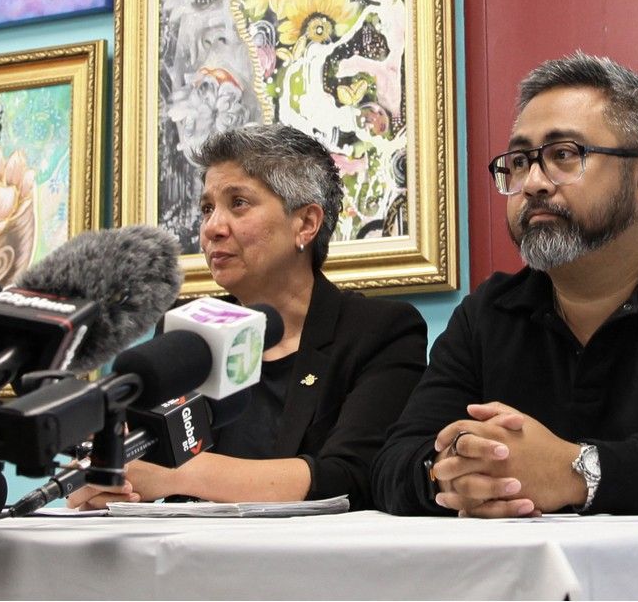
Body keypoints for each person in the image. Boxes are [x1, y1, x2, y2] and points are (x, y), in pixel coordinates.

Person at [372, 51, 638, 517]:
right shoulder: (490, 311)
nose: (532, 183)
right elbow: (392, 464)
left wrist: (577, 472)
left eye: (563, 155)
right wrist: (454, 472)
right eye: (519, 161)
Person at [69, 124, 427, 509]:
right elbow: (138, 458)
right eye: (207, 209)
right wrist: (106, 480)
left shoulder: (379, 331)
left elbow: (352, 476)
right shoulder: (186, 333)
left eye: (238, 203)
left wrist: (177, 473)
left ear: (306, 223)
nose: (211, 228)